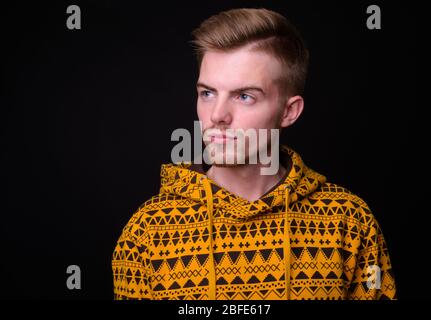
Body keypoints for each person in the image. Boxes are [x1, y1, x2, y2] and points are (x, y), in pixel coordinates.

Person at [112, 8, 397, 300]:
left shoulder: (350, 222)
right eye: (207, 93)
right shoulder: (148, 231)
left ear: (289, 111)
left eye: (244, 96)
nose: (217, 115)